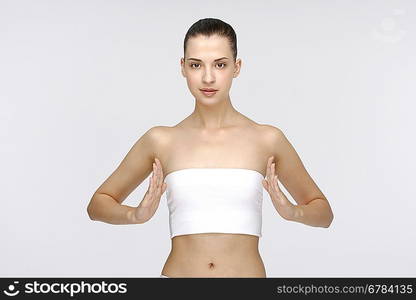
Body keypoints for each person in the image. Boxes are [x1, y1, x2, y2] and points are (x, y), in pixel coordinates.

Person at [86, 18, 334, 278]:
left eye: (220, 65)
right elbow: (97, 205)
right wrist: (135, 215)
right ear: (182, 67)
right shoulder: (161, 140)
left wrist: (293, 211)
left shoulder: (266, 139)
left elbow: (323, 213)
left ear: (236, 68)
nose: (207, 77)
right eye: (196, 65)